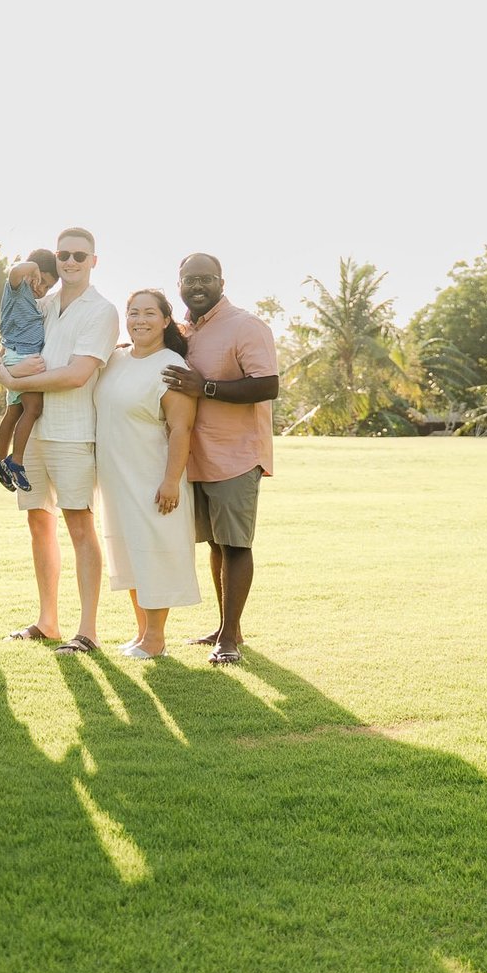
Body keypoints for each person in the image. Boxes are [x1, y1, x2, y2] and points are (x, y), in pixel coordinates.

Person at [0, 226, 119, 656]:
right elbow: (6, 350)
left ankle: (87, 631)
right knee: (38, 522)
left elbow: (77, 374)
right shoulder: (41, 303)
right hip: (32, 436)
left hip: (73, 432)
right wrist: (7, 371)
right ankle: (47, 621)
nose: (70, 262)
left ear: (93, 261)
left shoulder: (101, 311)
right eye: (63, 254)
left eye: (79, 255)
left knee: (80, 526)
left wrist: (14, 379)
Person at [159, 253, 278, 666]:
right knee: (215, 543)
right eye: (189, 279)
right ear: (178, 284)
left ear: (221, 283)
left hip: (236, 454)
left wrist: (205, 387)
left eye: (206, 279)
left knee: (235, 544)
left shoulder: (246, 325)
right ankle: (228, 627)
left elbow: (267, 385)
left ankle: (228, 637)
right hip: (196, 455)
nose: (197, 286)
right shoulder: (182, 331)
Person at [96, 290, 201, 659]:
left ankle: (155, 639)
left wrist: (171, 481)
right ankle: (142, 633)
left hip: (152, 476)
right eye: (133, 313)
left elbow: (181, 429)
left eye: (149, 313)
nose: (140, 320)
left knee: (153, 553)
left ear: (166, 320)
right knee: (130, 553)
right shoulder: (116, 358)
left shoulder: (171, 366)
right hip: (117, 479)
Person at [0, 249, 58, 491]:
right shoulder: (18, 290)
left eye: (48, 287)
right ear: (31, 275)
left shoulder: (33, 301)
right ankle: (15, 461)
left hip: (16, 354)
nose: (42, 289)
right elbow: (16, 271)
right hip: (21, 355)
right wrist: (33, 270)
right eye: (41, 282)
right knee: (34, 407)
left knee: (15, 410)